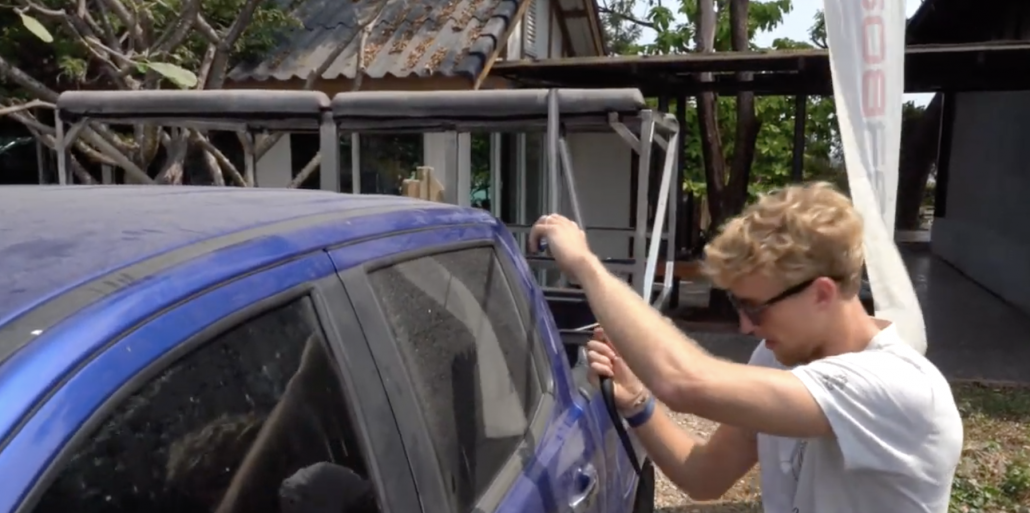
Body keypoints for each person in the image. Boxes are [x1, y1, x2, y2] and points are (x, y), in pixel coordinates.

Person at [529, 182, 963, 513]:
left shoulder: (899, 388)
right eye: (738, 305)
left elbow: (684, 382)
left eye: (756, 308)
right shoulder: (778, 358)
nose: (744, 326)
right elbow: (703, 476)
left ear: (822, 294)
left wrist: (585, 265)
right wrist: (638, 402)